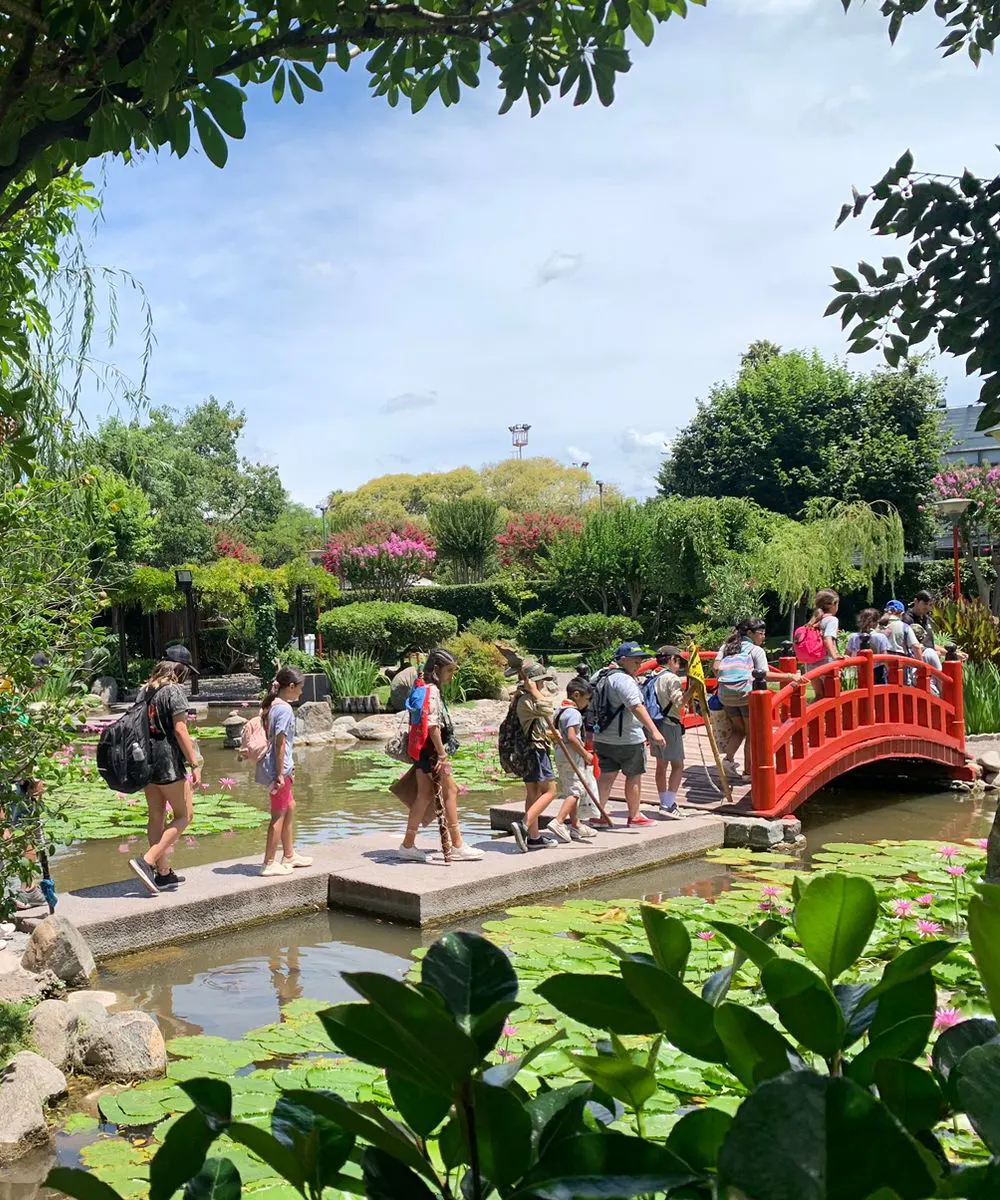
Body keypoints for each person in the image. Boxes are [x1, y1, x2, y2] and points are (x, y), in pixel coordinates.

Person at [397, 648, 484, 863]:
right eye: (449, 670)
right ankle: (457, 844)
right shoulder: (432, 691)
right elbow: (432, 726)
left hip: (421, 751)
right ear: (436, 669)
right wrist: (442, 754)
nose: (452, 675)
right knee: (451, 791)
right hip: (432, 752)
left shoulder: (422, 686)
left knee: (424, 795)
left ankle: (407, 845)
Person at [127, 646, 201, 896]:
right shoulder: (174, 691)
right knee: (184, 815)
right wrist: (195, 764)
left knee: (156, 816)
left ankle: (164, 873)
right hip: (167, 761)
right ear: (180, 670)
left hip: (145, 760)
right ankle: (146, 861)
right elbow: (180, 730)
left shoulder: (145, 690)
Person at [590, 642, 666, 828]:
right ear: (623, 660)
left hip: (601, 735)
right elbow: (636, 706)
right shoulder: (624, 680)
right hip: (628, 738)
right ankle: (635, 816)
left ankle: (599, 815)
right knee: (634, 775)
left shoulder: (600, 674)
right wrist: (654, 731)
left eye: (640, 661)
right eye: (635, 661)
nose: (639, 665)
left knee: (607, 774)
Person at [714, 618, 799, 779]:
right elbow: (764, 674)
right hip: (746, 696)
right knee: (751, 734)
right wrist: (790, 676)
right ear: (750, 633)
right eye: (761, 633)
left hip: (726, 696)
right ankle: (748, 773)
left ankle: (727, 761)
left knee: (739, 729)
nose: (763, 637)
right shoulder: (755, 650)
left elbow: (716, 668)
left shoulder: (726, 647)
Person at [257, 667, 313, 876]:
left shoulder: (274, 705)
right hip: (278, 769)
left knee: (290, 806)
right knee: (278, 814)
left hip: (283, 768)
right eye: (300, 688)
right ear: (290, 687)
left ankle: (289, 855)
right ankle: (269, 862)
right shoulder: (284, 709)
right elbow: (280, 742)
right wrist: (280, 774)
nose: (301, 692)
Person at [511, 663, 560, 852]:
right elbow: (548, 709)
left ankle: (534, 838)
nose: (543, 685)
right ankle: (524, 824)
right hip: (535, 752)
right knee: (551, 791)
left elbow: (533, 726)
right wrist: (534, 690)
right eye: (541, 682)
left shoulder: (523, 699)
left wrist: (549, 734)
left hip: (528, 750)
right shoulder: (527, 700)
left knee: (533, 793)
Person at [548, 677, 599, 843]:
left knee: (570, 788)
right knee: (576, 791)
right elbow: (571, 737)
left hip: (560, 754)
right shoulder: (574, 713)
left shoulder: (559, 710)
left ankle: (576, 825)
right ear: (577, 695)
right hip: (571, 755)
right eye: (587, 699)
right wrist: (585, 754)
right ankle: (559, 821)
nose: (588, 704)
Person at [649, 646, 688, 819]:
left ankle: (663, 801)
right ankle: (668, 804)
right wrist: (692, 690)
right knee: (677, 765)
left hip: (654, 724)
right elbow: (679, 702)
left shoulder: (652, 675)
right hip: (669, 724)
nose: (679, 665)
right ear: (672, 659)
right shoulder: (671, 678)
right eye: (678, 661)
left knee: (661, 765)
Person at [846, 608, 890, 685]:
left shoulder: (853, 637)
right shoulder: (881, 637)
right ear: (876, 622)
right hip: (877, 671)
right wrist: (889, 671)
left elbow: (847, 655)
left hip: (859, 671)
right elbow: (885, 657)